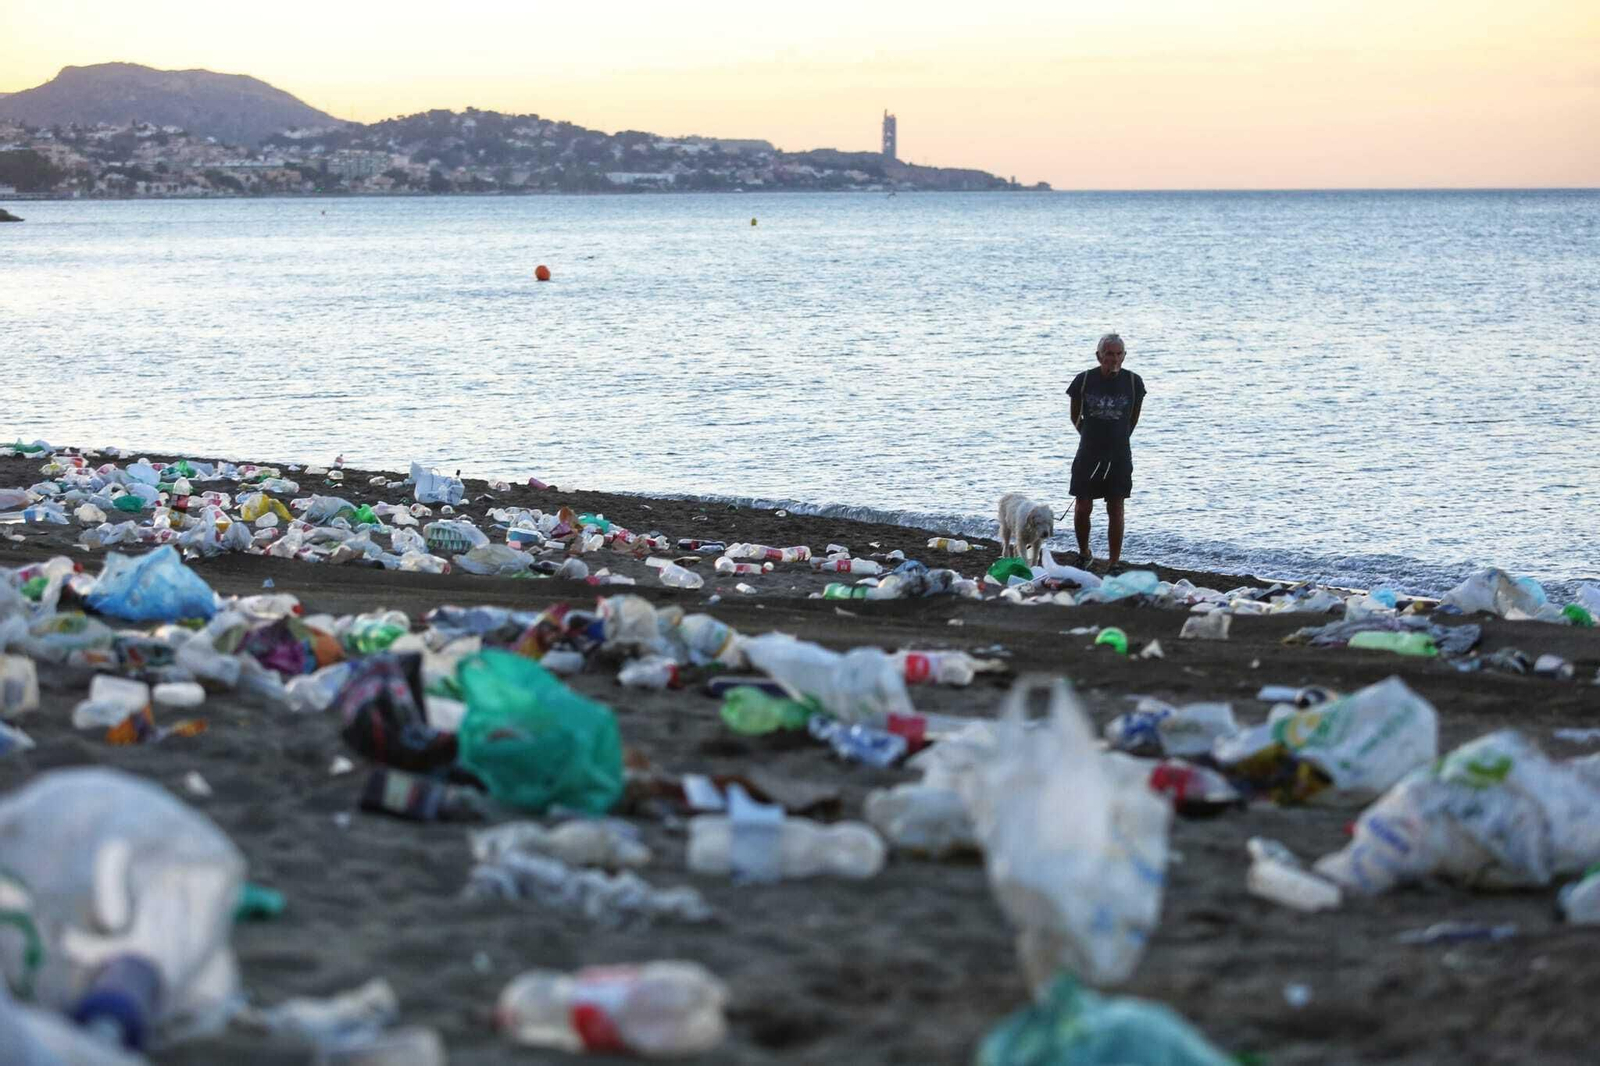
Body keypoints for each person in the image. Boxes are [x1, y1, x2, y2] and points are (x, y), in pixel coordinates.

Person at [1066, 333, 1146, 571]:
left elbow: (1133, 418)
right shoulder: (1083, 380)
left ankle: (1113, 561)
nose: (1114, 359)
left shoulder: (1134, 382)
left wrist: (1118, 438)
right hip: (1088, 452)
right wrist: (1090, 436)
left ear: (1124, 356)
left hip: (1119, 453)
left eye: (1118, 354)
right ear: (1099, 355)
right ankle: (1084, 553)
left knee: (1116, 507)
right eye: (1109, 354)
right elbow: (1075, 415)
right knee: (1083, 506)